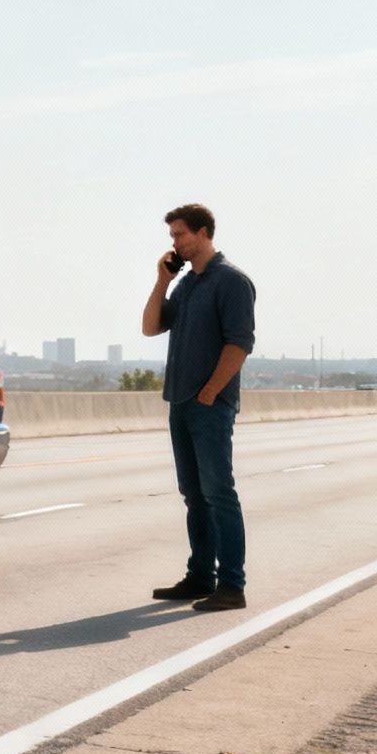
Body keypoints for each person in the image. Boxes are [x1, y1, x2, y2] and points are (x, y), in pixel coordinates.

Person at [140, 204, 257, 611]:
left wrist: (210, 391)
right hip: (180, 402)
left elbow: (239, 343)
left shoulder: (232, 282)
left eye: (180, 235)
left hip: (210, 405)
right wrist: (162, 280)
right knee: (194, 495)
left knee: (218, 492)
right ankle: (200, 577)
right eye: (172, 236)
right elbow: (151, 326)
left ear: (203, 233)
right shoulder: (187, 284)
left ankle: (232, 585)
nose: (174, 242)